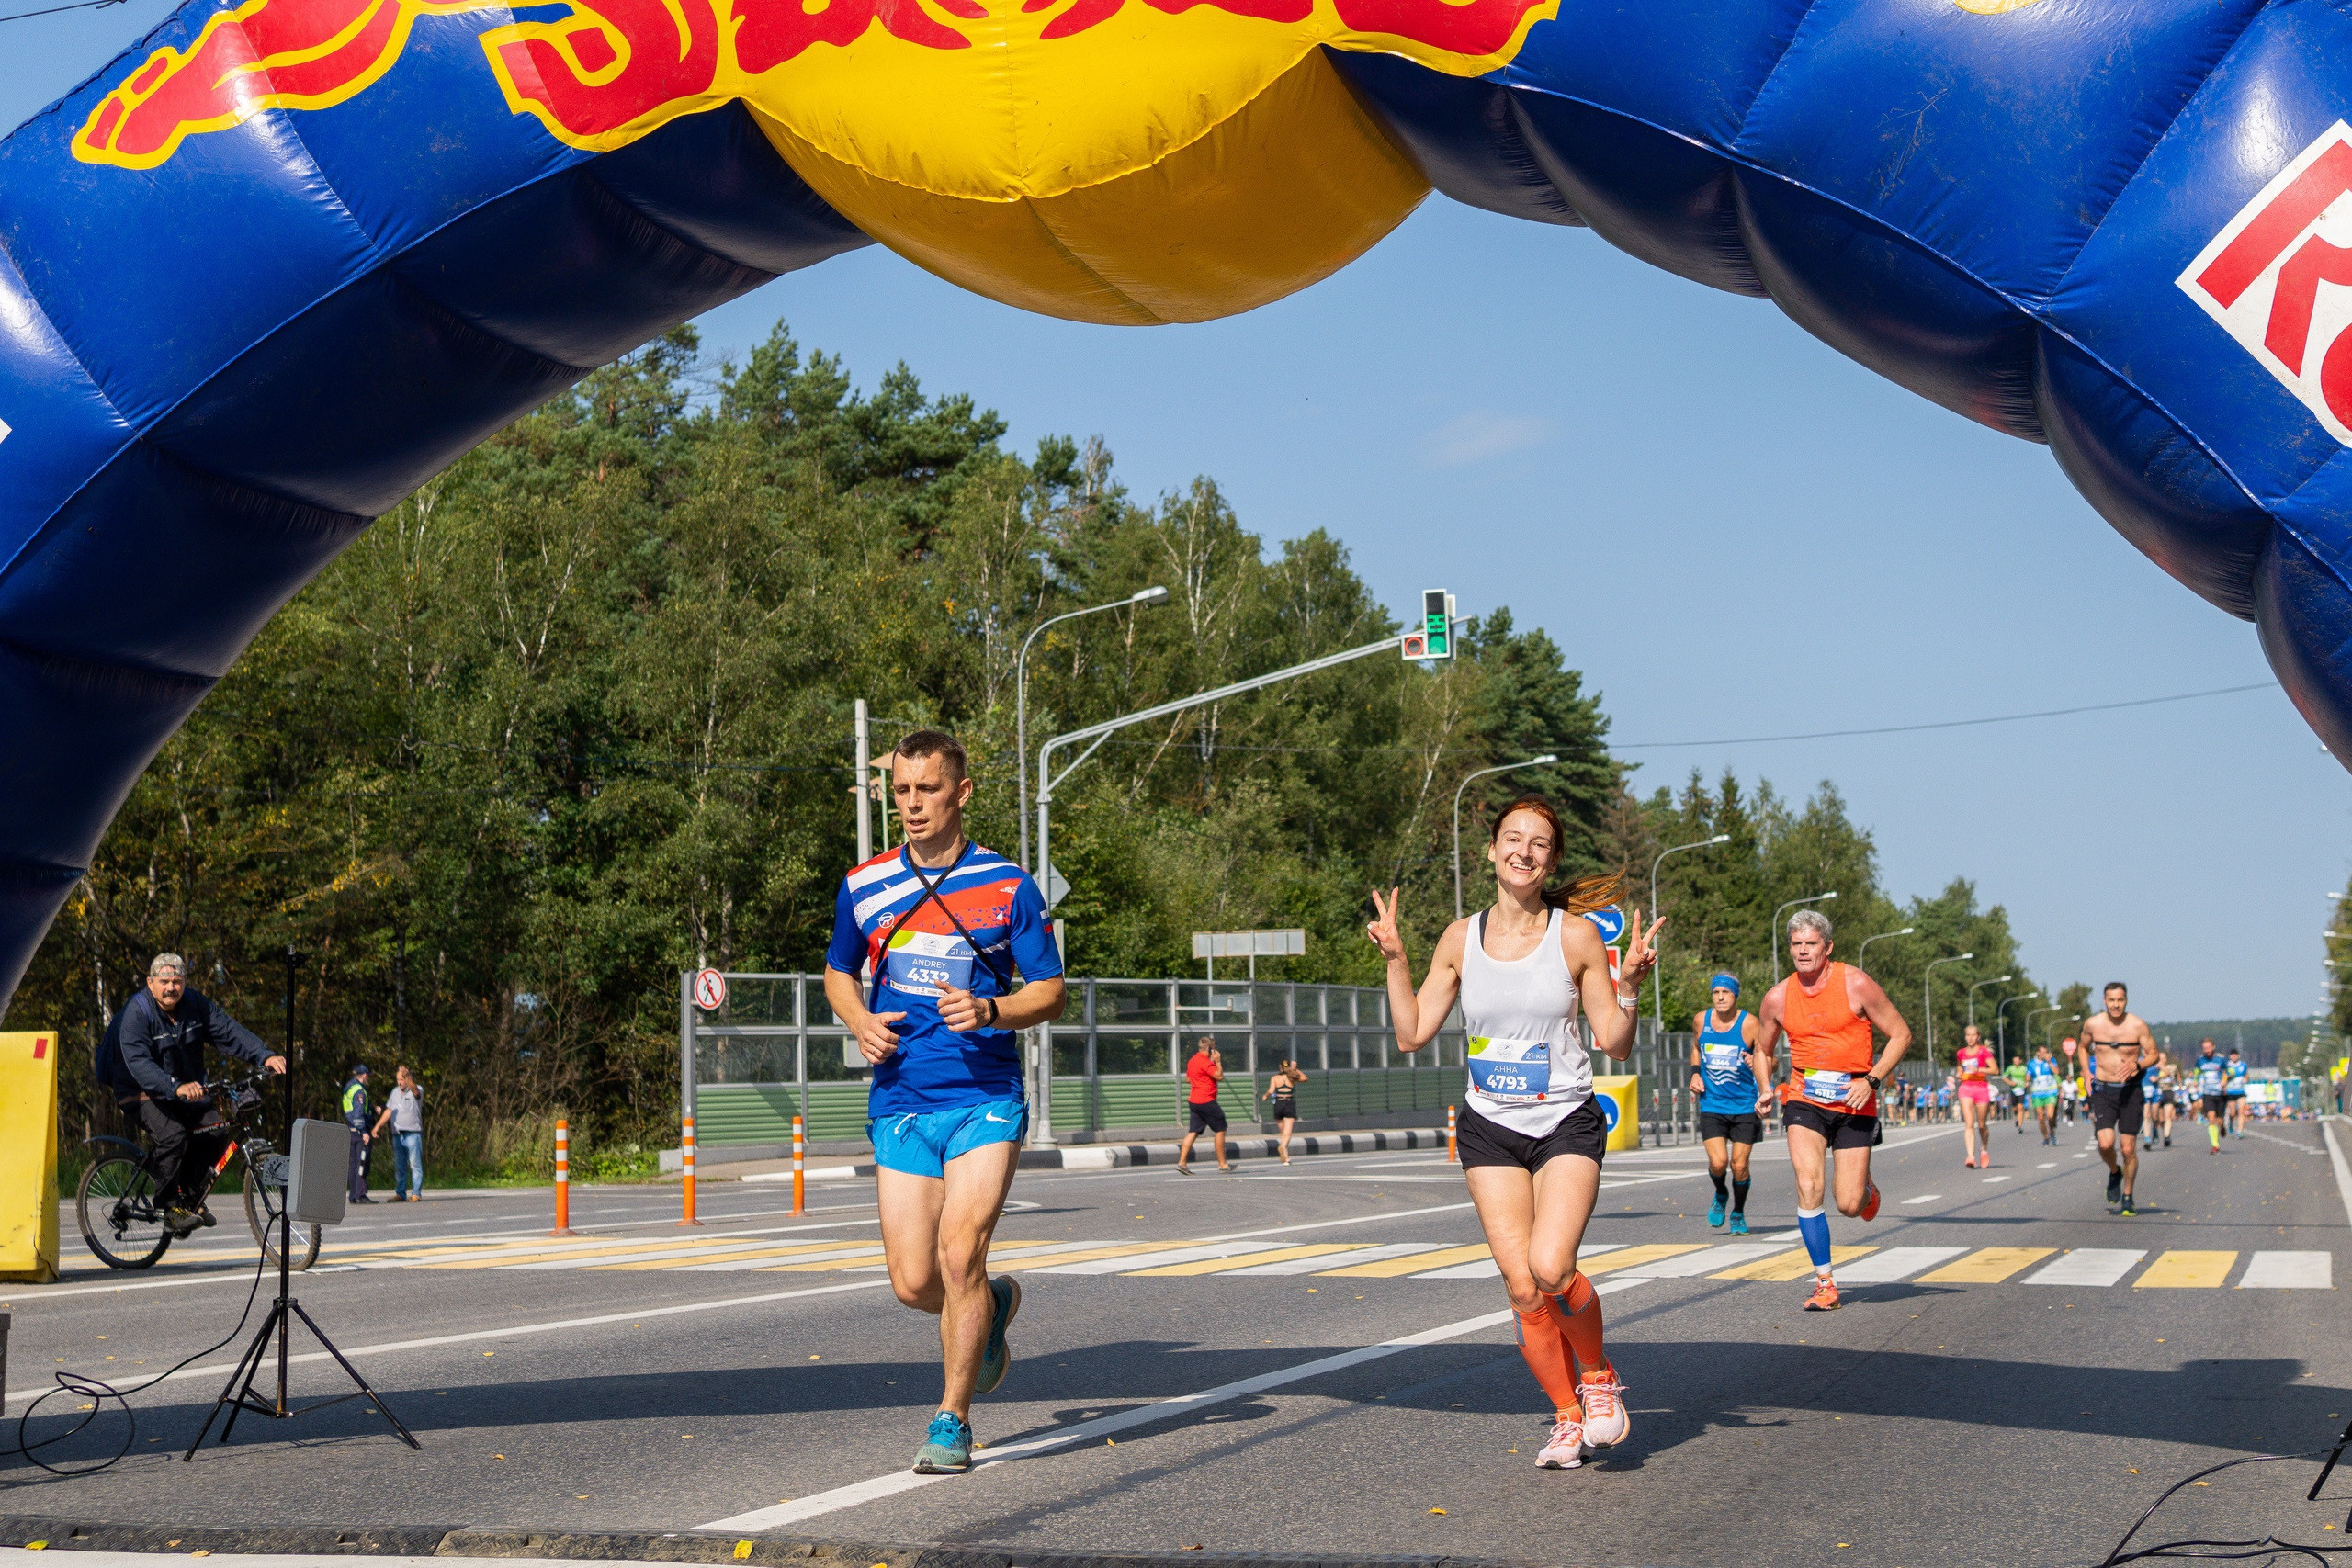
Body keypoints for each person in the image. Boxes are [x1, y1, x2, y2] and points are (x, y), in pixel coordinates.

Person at [1366, 795, 1659, 1471]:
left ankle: (1596, 1374)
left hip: (1562, 1121)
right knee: (1522, 1287)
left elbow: (1613, 1043)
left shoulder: (1576, 936)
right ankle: (1564, 1415)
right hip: (1490, 1126)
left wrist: (1633, 985)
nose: (1524, 850)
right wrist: (1396, 957)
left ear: (1551, 858)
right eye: (1512, 838)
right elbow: (1412, 1032)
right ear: (1493, 851)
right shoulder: (1458, 938)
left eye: (1539, 843)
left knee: (1552, 1266)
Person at [821, 728, 1069, 1476]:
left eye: (927, 789)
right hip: (901, 1097)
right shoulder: (864, 885)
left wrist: (993, 1011)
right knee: (913, 1281)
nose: (912, 804)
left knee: (960, 1254)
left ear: (961, 792)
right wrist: (859, 1019)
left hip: (983, 1097)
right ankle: (986, 1308)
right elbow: (839, 971)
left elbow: (1050, 989)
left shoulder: (1007, 885)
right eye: (901, 791)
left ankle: (951, 1419)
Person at [1754, 909, 1912, 1313]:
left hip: (1856, 1098)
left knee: (1848, 1203)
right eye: (1796, 944)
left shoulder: (1855, 983)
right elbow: (1763, 1050)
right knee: (1808, 1185)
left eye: (1810, 944)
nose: (1803, 952)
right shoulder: (1777, 997)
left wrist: (1872, 1080)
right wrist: (1766, 1087)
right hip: (1804, 1097)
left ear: (1827, 947)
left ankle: (1866, 1189)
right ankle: (1825, 1282)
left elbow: (1901, 1034)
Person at [100, 953, 286, 1235]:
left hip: (182, 1087)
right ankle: (170, 1206)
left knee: (216, 1131)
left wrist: (264, 1055)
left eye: (177, 981)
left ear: (185, 982)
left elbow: (228, 1031)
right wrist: (174, 1087)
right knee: (172, 1134)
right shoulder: (136, 1012)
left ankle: (188, 1197)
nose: (171, 987)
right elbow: (138, 1061)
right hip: (137, 1088)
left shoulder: (195, 1005)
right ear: (151, 983)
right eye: (164, 981)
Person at [1687, 975, 1770, 1235]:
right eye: (1715, 992)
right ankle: (1721, 1193)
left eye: (1726, 992)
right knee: (1719, 1162)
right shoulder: (1702, 1020)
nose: (1720, 997)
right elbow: (1695, 1048)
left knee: (1739, 1165)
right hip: (1712, 1103)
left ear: (1736, 996)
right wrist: (1695, 1073)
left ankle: (1738, 1213)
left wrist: (1756, 1063)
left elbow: (1771, 1060)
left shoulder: (1751, 1024)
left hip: (1745, 1105)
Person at [2083, 983, 2156, 1214]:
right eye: (2112, 1000)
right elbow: (2083, 1048)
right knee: (2105, 1143)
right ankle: (2115, 1171)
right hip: (2103, 1089)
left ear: (2126, 1001)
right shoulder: (2093, 1024)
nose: (2116, 1005)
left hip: (2130, 1091)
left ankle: (2128, 1195)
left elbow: (2153, 1054)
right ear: (2104, 1000)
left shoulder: (2137, 1025)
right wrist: (2086, 1072)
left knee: (2128, 1149)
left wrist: (2139, 1064)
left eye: (2120, 1000)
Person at [1178, 1040, 1233, 1174]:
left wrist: (1200, 1079)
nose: (1214, 1052)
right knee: (1220, 1129)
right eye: (1213, 1049)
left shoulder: (1192, 1061)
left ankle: (1182, 1163)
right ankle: (1223, 1164)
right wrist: (1218, 1061)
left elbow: (1188, 1079)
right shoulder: (1205, 1061)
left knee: (1193, 1131)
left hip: (1194, 1101)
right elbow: (1219, 1076)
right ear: (1208, 1049)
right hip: (1206, 1101)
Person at [371, 1065, 425, 1201]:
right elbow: (389, 1111)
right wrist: (377, 1126)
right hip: (397, 1134)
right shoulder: (395, 1092)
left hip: (413, 1133)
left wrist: (407, 1077)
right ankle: (400, 1193)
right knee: (399, 1165)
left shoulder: (417, 1089)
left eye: (402, 1079)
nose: (400, 1082)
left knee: (415, 1164)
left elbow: (416, 1092)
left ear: (409, 1078)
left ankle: (416, 1193)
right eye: (398, 1079)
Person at [1955, 1025, 1997, 1169]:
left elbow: (1995, 1070)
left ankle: (1984, 1149)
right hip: (1966, 1088)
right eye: (1968, 1035)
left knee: (1981, 1125)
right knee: (1969, 1124)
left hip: (1981, 1088)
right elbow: (1960, 1067)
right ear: (1965, 1036)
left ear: (1978, 1037)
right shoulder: (1961, 1053)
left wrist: (1979, 1069)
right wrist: (1959, 1073)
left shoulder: (1983, 1052)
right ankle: (1971, 1156)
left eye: (1973, 1035)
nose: (1970, 1038)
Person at [1258, 1058, 1306, 1165]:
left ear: (1280, 1067)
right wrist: (1296, 1069)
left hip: (1278, 1104)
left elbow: (1271, 1091)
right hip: (1289, 1103)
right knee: (1287, 1133)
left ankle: (1286, 1157)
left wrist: (1265, 1096)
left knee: (1282, 1133)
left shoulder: (1275, 1078)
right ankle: (1283, 1147)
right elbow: (1304, 1078)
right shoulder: (1292, 1077)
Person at [342, 1063, 378, 1202]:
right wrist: (364, 1132)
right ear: (363, 1076)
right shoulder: (359, 1091)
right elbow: (358, 1113)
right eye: (367, 1076)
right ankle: (360, 1194)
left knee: (353, 1164)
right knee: (362, 1162)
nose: (368, 1078)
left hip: (350, 1130)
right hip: (359, 1132)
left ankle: (353, 1195)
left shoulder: (349, 1088)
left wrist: (374, 1110)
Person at [2194, 1039, 2228, 1153]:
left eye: (2208, 1048)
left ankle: (2223, 1127)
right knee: (2211, 1118)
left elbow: (2230, 1071)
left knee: (2219, 1120)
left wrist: (2224, 1080)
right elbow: (2197, 1071)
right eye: (2204, 1048)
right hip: (2207, 1094)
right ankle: (2215, 1145)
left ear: (2213, 1047)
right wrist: (2195, 1080)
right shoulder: (2200, 1060)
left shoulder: (2221, 1059)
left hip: (2219, 1094)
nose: (2206, 1050)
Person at [2027, 1044, 2060, 1144]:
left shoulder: (2051, 1060)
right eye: (2043, 1052)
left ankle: (2051, 1131)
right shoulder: (2031, 1063)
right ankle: (2046, 1137)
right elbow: (2028, 1075)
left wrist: (2049, 1061)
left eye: (2046, 1052)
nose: (2045, 1054)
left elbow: (2056, 1072)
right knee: (2041, 1117)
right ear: (2038, 1053)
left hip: (2050, 1092)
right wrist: (2027, 1080)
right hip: (2037, 1093)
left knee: (2050, 1115)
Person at [2224, 1048, 2249, 1137]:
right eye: (2232, 1055)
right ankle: (2230, 1122)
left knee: (2241, 1111)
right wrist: (2226, 1077)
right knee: (2232, 1113)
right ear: (2230, 1056)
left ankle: (2240, 1131)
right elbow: (2223, 1078)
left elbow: (2246, 1075)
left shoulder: (2243, 1065)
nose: (2234, 1057)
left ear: (2238, 1056)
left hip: (2240, 1092)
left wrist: (2246, 1079)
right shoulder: (2227, 1065)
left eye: (2235, 1055)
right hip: (2230, 1092)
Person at [2004, 1055, 2030, 1134]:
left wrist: (2027, 1082)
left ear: (2020, 1061)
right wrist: (2010, 1083)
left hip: (2021, 1089)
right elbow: (2004, 1077)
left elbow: (2027, 1077)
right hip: (2013, 1090)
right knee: (2015, 1108)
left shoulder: (2024, 1068)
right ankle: (2017, 1118)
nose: (2016, 1062)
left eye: (2017, 1060)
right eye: (2014, 1061)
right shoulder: (2010, 1068)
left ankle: (2020, 1125)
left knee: (2020, 1107)